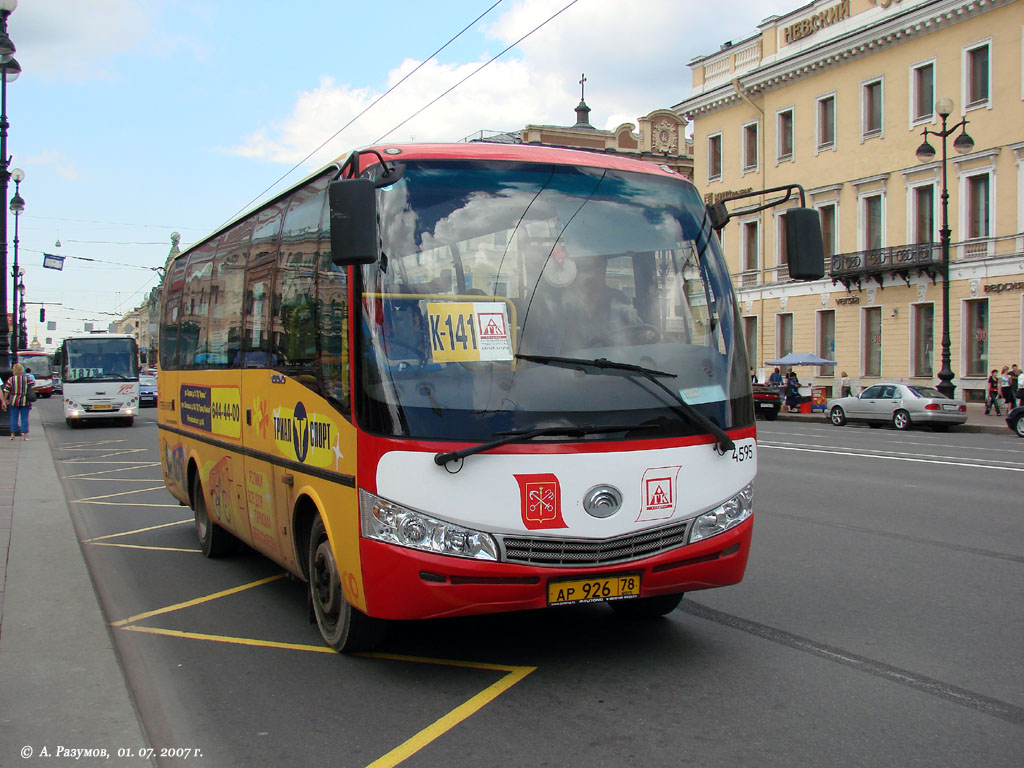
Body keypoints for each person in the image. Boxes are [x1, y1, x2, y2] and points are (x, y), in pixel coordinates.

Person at [3, 363, 33, 439]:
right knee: (24, 418)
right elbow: (32, 386)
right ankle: (25, 435)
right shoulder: (27, 378)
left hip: (13, 400)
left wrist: (4, 400)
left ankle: (12, 435)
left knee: (13, 417)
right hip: (25, 400)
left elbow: (6, 390)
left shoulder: (11, 379)